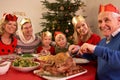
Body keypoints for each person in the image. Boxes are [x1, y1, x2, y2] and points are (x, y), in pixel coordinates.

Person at [70, 4, 120, 80]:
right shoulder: (103, 41)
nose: (102, 25)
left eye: (107, 20)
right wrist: (78, 50)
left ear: (118, 21)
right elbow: (95, 57)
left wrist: (95, 48)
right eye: (100, 21)